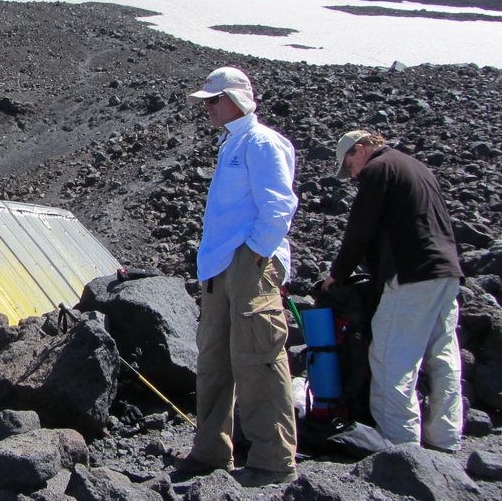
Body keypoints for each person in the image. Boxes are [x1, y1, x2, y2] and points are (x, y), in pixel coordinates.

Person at [176, 66, 299, 487]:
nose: (207, 107)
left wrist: (253, 255)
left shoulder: (262, 143)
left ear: (235, 99)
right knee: (213, 360)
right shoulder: (233, 143)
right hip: (220, 265)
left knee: (257, 358)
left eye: (213, 100)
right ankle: (210, 451)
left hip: (247, 263)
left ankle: (272, 459)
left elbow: (279, 206)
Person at [320, 130, 463, 451]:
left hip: (411, 274)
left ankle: (401, 449)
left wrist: (338, 274)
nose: (353, 174)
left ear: (360, 149)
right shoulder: (417, 167)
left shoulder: (378, 170)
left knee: (391, 359)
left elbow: (361, 228)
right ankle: (445, 438)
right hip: (446, 272)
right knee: (442, 356)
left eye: (350, 164)